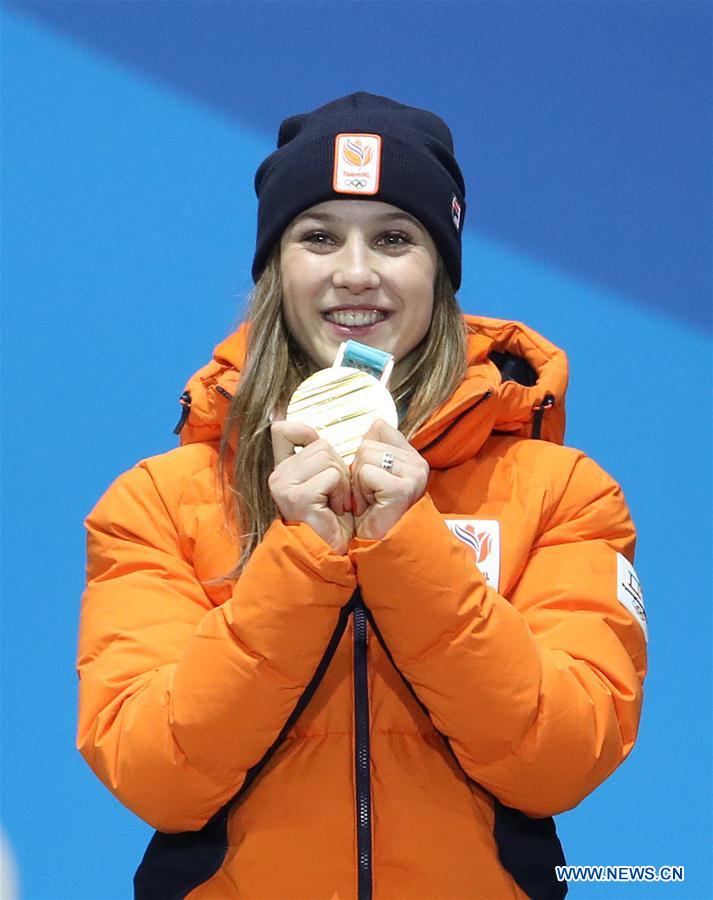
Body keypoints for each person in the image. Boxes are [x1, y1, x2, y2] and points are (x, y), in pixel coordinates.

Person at [77, 93, 648, 900]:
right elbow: (154, 776)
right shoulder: (158, 503)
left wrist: (406, 544)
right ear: (277, 267)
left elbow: (561, 761)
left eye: (393, 237)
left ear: (439, 269)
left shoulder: (564, 494)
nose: (354, 272)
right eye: (317, 237)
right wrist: (303, 556)